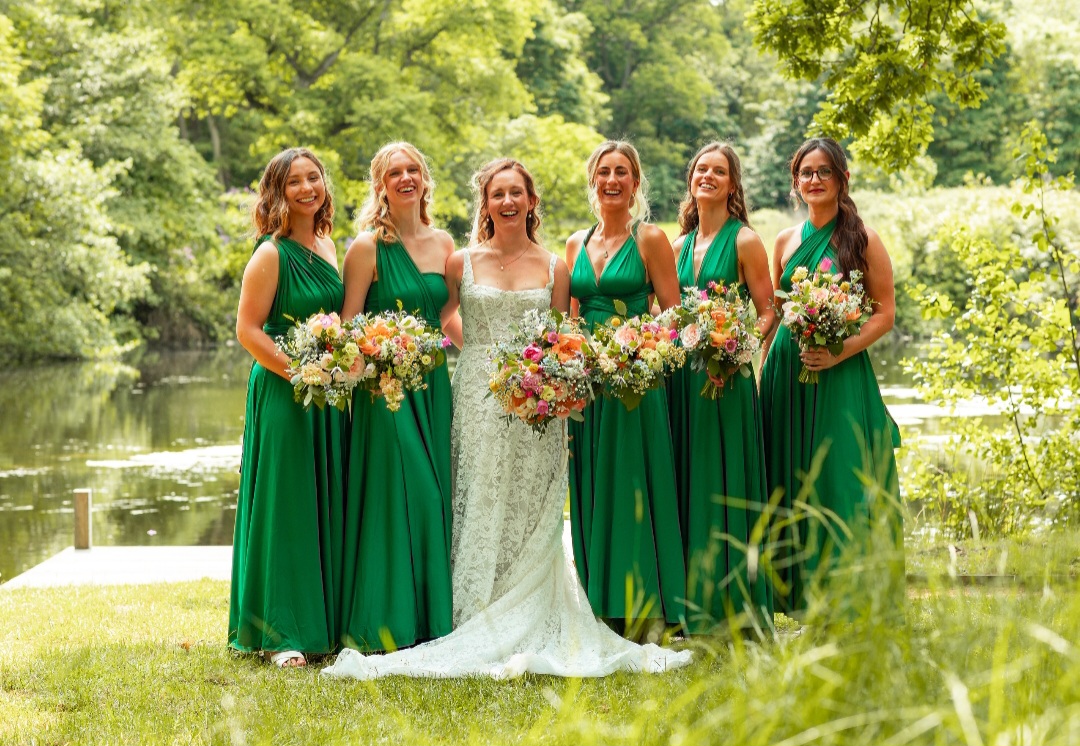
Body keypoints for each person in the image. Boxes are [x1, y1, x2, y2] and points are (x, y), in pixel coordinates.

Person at [322, 158, 692, 679]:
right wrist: (478, 351)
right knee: (478, 495)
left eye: (517, 193)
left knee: (530, 499)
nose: (509, 202)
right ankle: (471, 609)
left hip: (536, 397)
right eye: (499, 194)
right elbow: (447, 311)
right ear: (487, 203)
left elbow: (565, 332)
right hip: (476, 392)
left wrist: (547, 376)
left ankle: (533, 602)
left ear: (531, 201)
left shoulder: (554, 265)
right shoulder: (461, 260)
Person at [759, 137, 903, 618]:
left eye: (824, 171)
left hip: (839, 372)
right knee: (792, 479)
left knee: (839, 481)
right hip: (786, 371)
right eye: (806, 173)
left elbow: (884, 314)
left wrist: (838, 351)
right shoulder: (783, 240)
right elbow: (775, 313)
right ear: (796, 182)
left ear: (842, 179)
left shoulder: (863, 239)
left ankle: (850, 600)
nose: (814, 180)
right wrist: (762, 370)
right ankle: (799, 601)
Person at [229, 147, 345, 668]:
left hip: (325, 393)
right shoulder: (271, 254)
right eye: (294, 181)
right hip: (282, 388)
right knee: (285, 504)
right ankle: (279, 635)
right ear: (277, 192)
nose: (306, 188)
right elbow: (248, 330)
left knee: (320, 500)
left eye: (313, 178)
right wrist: (299, 372)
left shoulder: (327, 244)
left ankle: (320, 622)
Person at [338, 142, 456, 651]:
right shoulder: (367, 247)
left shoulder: (446, 243)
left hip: (433, 383)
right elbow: (349, 324)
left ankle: (432, 622)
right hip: (383, 389)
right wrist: (376, 356)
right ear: (381, 185)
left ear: (425, 180)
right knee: (408, 498)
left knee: (437, 492)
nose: (406, 178)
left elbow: (449, 315)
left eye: (413, 170)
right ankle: (387, 624)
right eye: (395, 173)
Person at [565, 141, 686, 634]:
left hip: (636, 381)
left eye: (622, 172)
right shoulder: (575, 242)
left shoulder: (650, 239)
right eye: (604, 172)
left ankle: (645, 607)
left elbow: (675, 315)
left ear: (636, 183)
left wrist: (638, 350)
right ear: (593, 181)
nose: (612, 180)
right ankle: (600, 603)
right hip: (589, 385)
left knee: (635, 481)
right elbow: (569, 319)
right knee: (595, 482)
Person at [668, 143, 775, 633]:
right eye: (701, 169)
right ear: (691, 180)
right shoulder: (679, 245)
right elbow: (665, 312)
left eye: (719, 171)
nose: (707, 176)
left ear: (732, 185)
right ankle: (693, 602)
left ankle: (736, 605)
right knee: (689, 483)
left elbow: (768, 310)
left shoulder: (745, 241)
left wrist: (737, 354)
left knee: (723, 484)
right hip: (683, 381)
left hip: (725, 381)